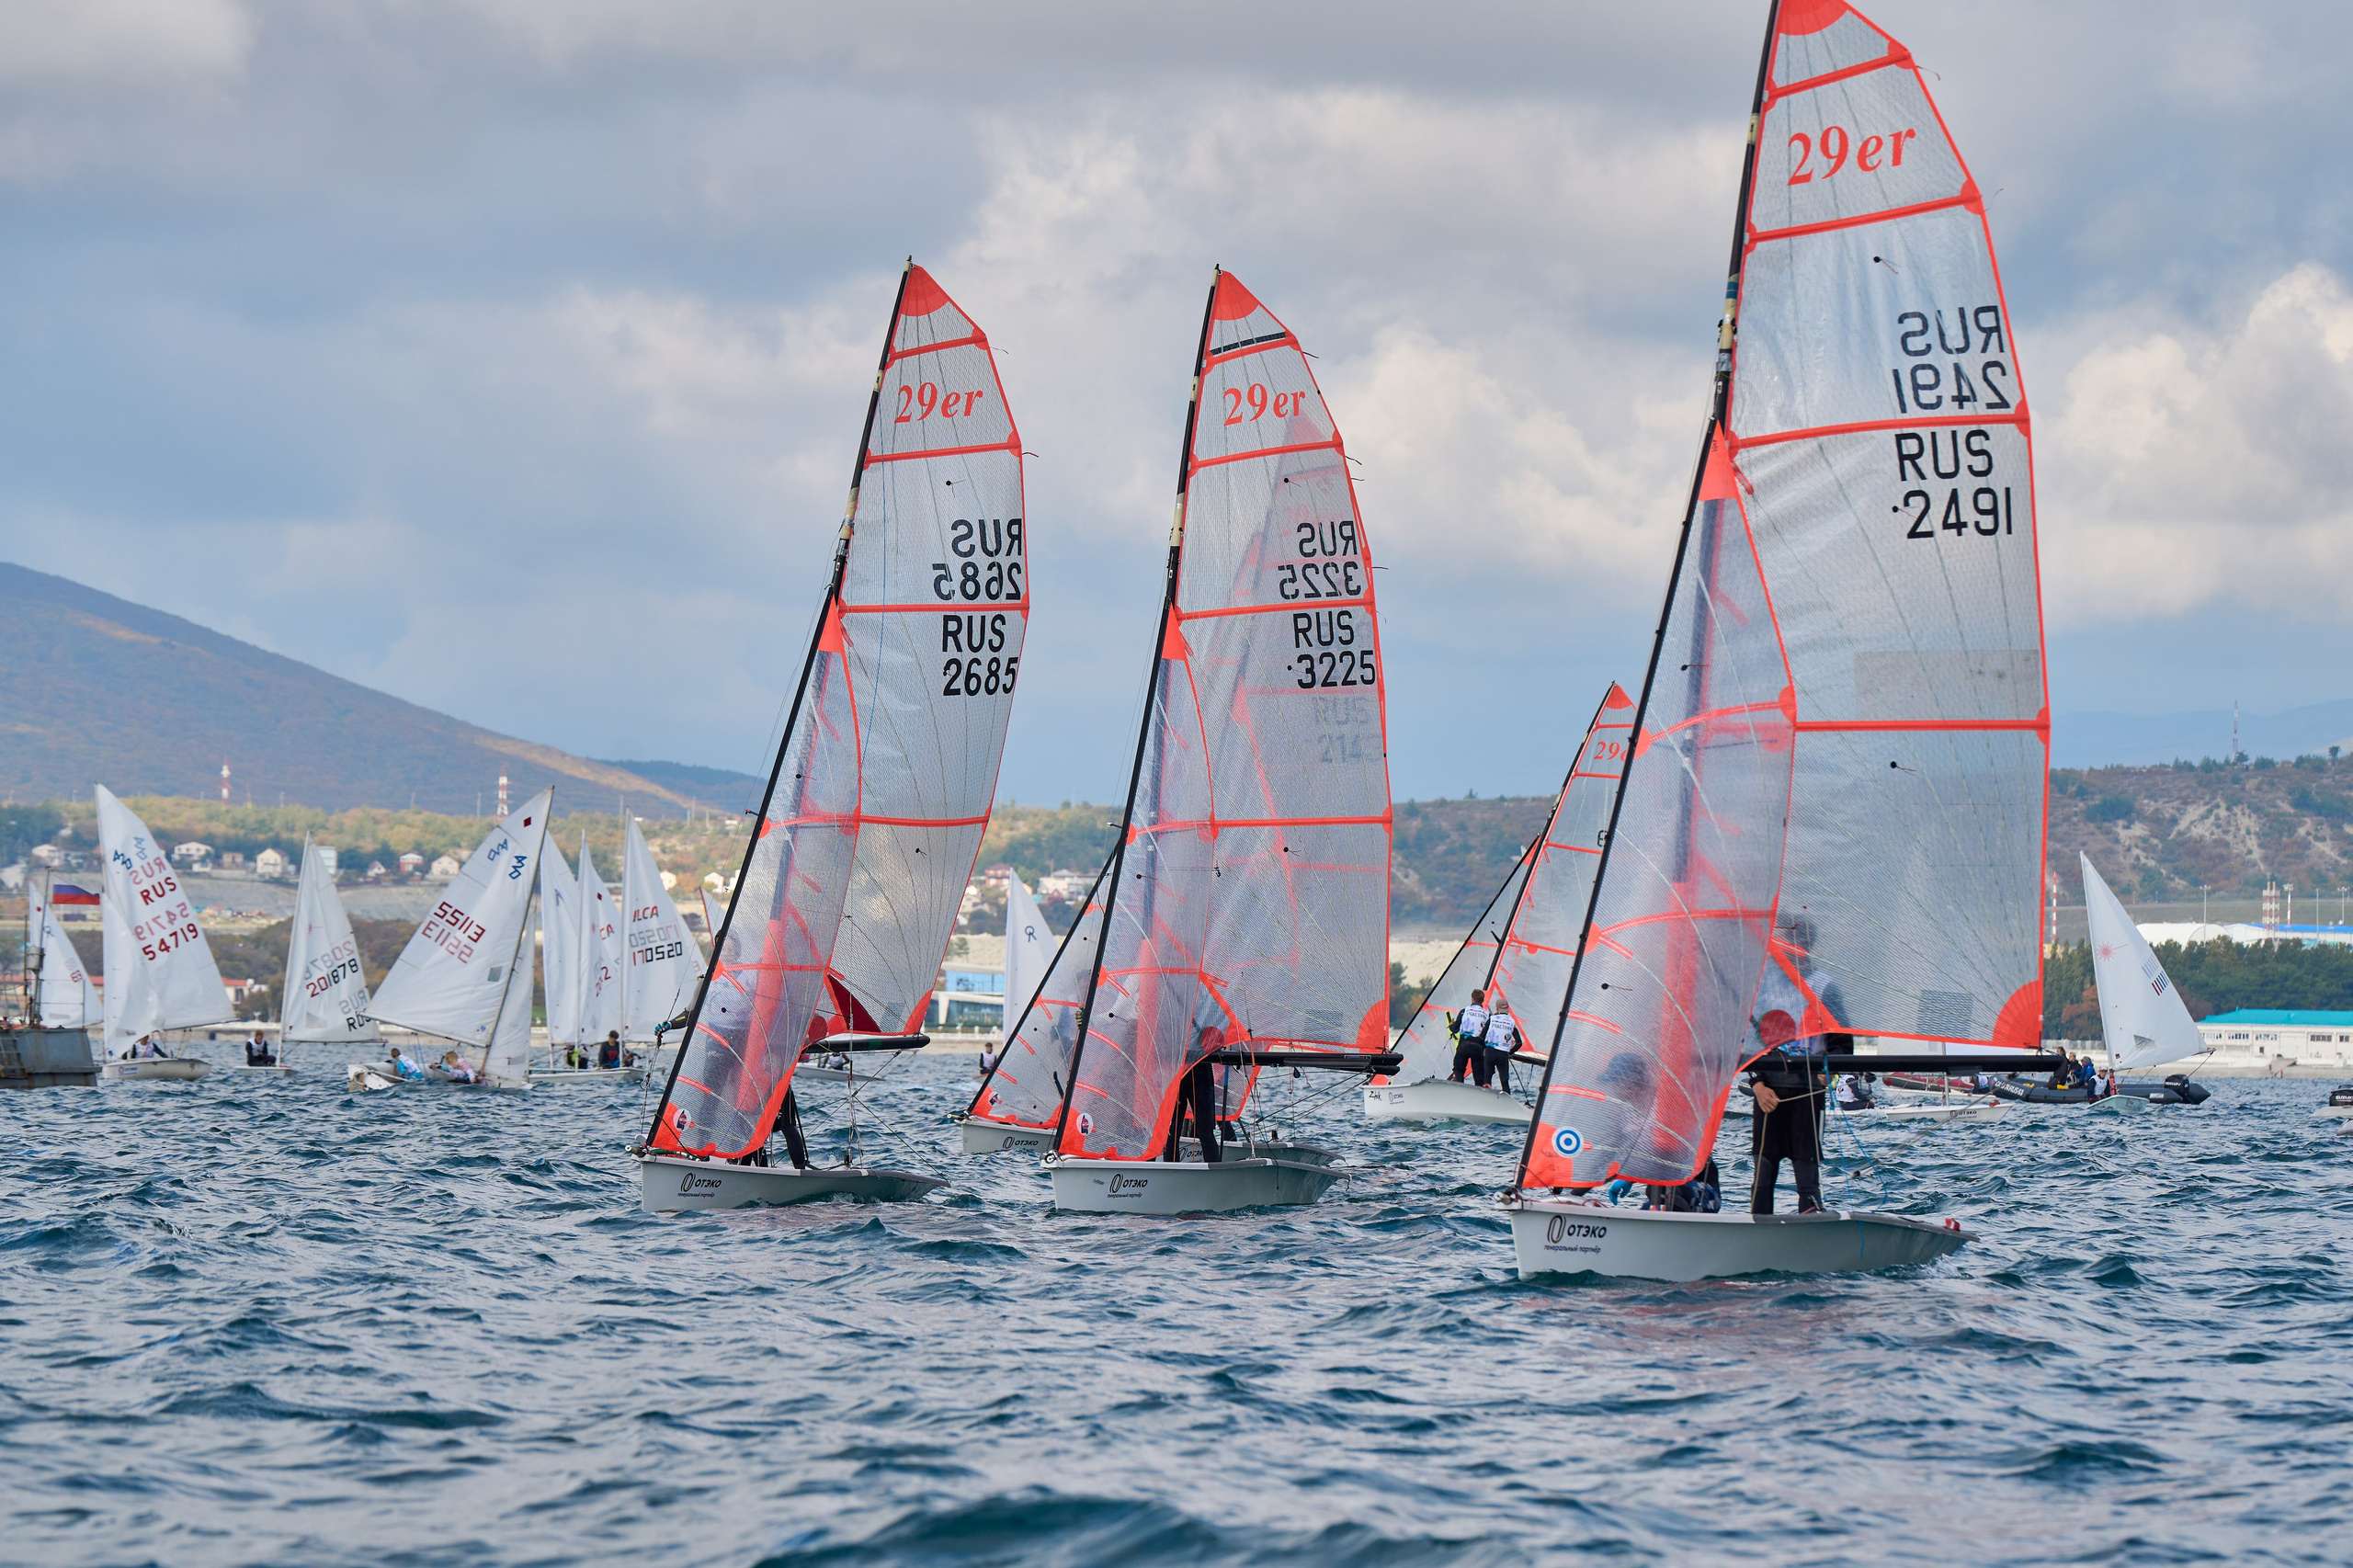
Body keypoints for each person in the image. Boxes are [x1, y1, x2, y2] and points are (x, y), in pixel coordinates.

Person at [1743, 914, 1847, 1216]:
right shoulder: (1763, 987)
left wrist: (1825, 1078)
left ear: (1803, 945)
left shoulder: (1825, 988)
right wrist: (1758, 1085)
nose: (1780, 947)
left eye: (1787, 941)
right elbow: (1748, 1045)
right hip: (1768, 1093)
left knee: (1806, 1172)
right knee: (1763, 1173)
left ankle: (1810, 1219)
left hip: (1807, 1092)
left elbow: (1843, 1047)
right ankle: (1756, 1227)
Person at [1450, 991, 1494, 1087]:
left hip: (1464, 1045)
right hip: (1478, 1048)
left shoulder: (1464, 1011)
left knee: (1458, 1070)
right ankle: (1478, 1094)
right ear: (1482, 1000)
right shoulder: (1488, 1016)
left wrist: (1451, 1025)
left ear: (1472, 999)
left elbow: (1455, 1029)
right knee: (1479, 1077)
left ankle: (1459, 1088)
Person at [1483, 1003, 1521, 1096]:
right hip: (1503, 1055)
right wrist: (1510, 1052)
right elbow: (1519, 1043)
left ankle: (1485, 1099)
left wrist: (1484, 1049)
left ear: (1496, 1008)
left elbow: (1481, 1036)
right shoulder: (1512, 1022)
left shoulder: (1491, 1019)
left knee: (1487, 1078)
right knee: (1504, 1082)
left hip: (1490, 1053)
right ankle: (1508, 1104)